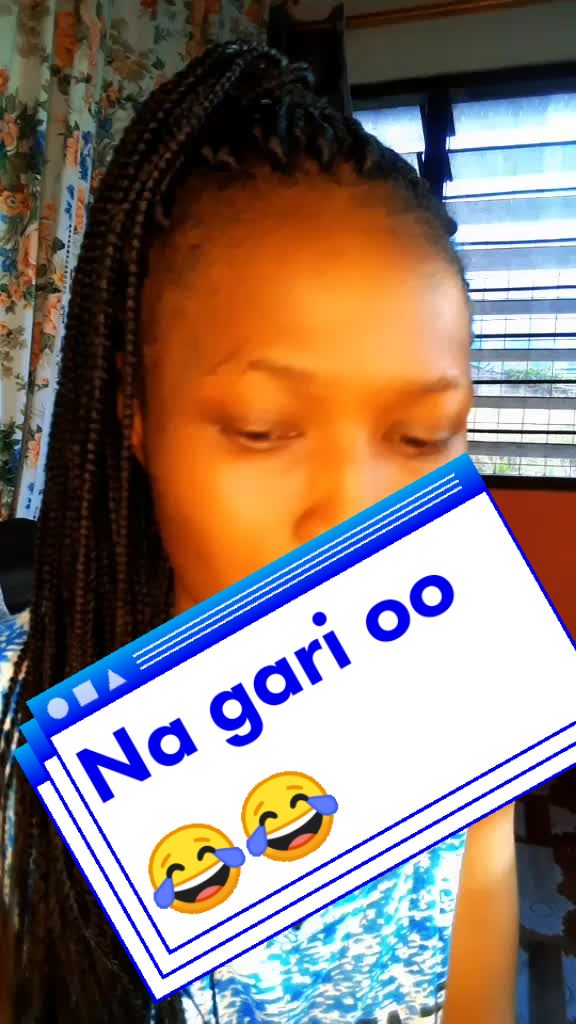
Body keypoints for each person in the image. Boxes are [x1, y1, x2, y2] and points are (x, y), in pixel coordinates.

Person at [0, 41, 517, 1024]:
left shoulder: (462, 733)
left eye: (422, 434)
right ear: (134, 411)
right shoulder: (16, 717)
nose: (355, 518)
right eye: (262, 428)